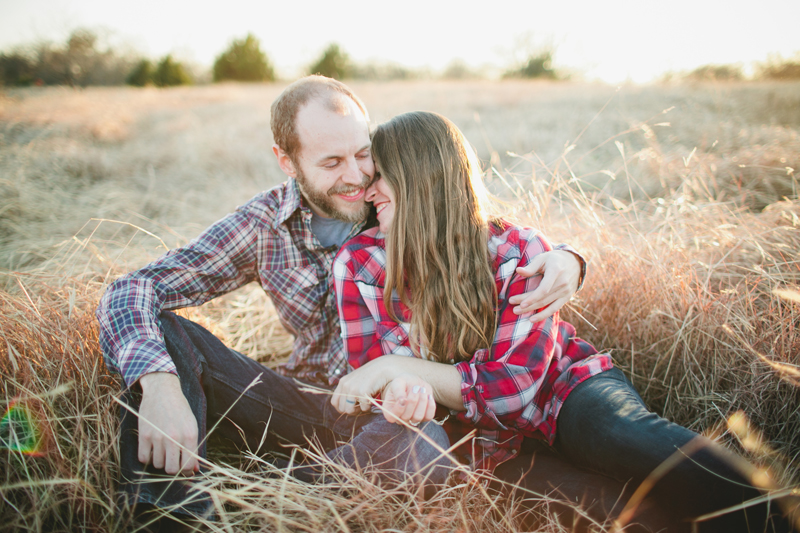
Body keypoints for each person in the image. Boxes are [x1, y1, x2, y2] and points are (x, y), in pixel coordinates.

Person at [95, 76, 586, 522]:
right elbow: (131, 289)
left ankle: (274, 503)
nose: (357, 178)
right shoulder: (263, 227)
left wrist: (568, 257)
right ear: (287, 162)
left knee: (424, 445)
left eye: (362, 153)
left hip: (400, 412)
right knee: (167, 335)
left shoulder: (395, 198)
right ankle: (168, 514)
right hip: (308, 404)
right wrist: (158, 386)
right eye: (331, 163)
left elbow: (477, 222)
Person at [331, 111, 795, 532]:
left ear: (420, 181)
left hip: (565, 390)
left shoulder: (517, 251)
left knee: (621, 434)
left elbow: (512, 390)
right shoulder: (358, 264)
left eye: (381, 178)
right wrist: (394, 382)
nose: (368, 192)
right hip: (479, 444)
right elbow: (383, 390)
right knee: (619, 515)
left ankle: (774, 520)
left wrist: (395, 367)